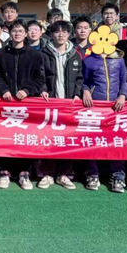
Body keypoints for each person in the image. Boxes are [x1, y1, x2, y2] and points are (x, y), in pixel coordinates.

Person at [0, 20, 46, 190]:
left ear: (25, 34)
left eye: (20, 31)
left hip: (26, 105)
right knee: (4, 138)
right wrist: (3, 90)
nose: (17, 34)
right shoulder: (1, 54)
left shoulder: (35, 55)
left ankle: (24, 173)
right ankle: (4, 172)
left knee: (24, 138)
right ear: (10, 33)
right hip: (6, 104)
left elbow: (40, 78)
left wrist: (27, 90)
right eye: (14, 31)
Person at [81, 25, 127, 192]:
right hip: (94, 108)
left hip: (115, 108)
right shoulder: (88, 60)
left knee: (116, 142)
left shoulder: (119, 59)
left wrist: (123, 95)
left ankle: (118, 175)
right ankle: (92, 174)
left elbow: (124, 81)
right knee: (93, 142)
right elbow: (84, 81)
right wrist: (86, 91)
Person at [39, 20, 83, 190]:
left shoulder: (75, 54)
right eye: (57, 31)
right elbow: (39, 75)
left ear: (69, 34)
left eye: (64, 31)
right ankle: (47, 173)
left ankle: (64, 174)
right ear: (51, 34)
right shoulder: (43, 53)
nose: (61, 34)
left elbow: (80, 77)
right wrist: (43, 89)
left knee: (67, 139)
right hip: (50, 103)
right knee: (49, 138)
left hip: (69, 104)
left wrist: (77, 94)